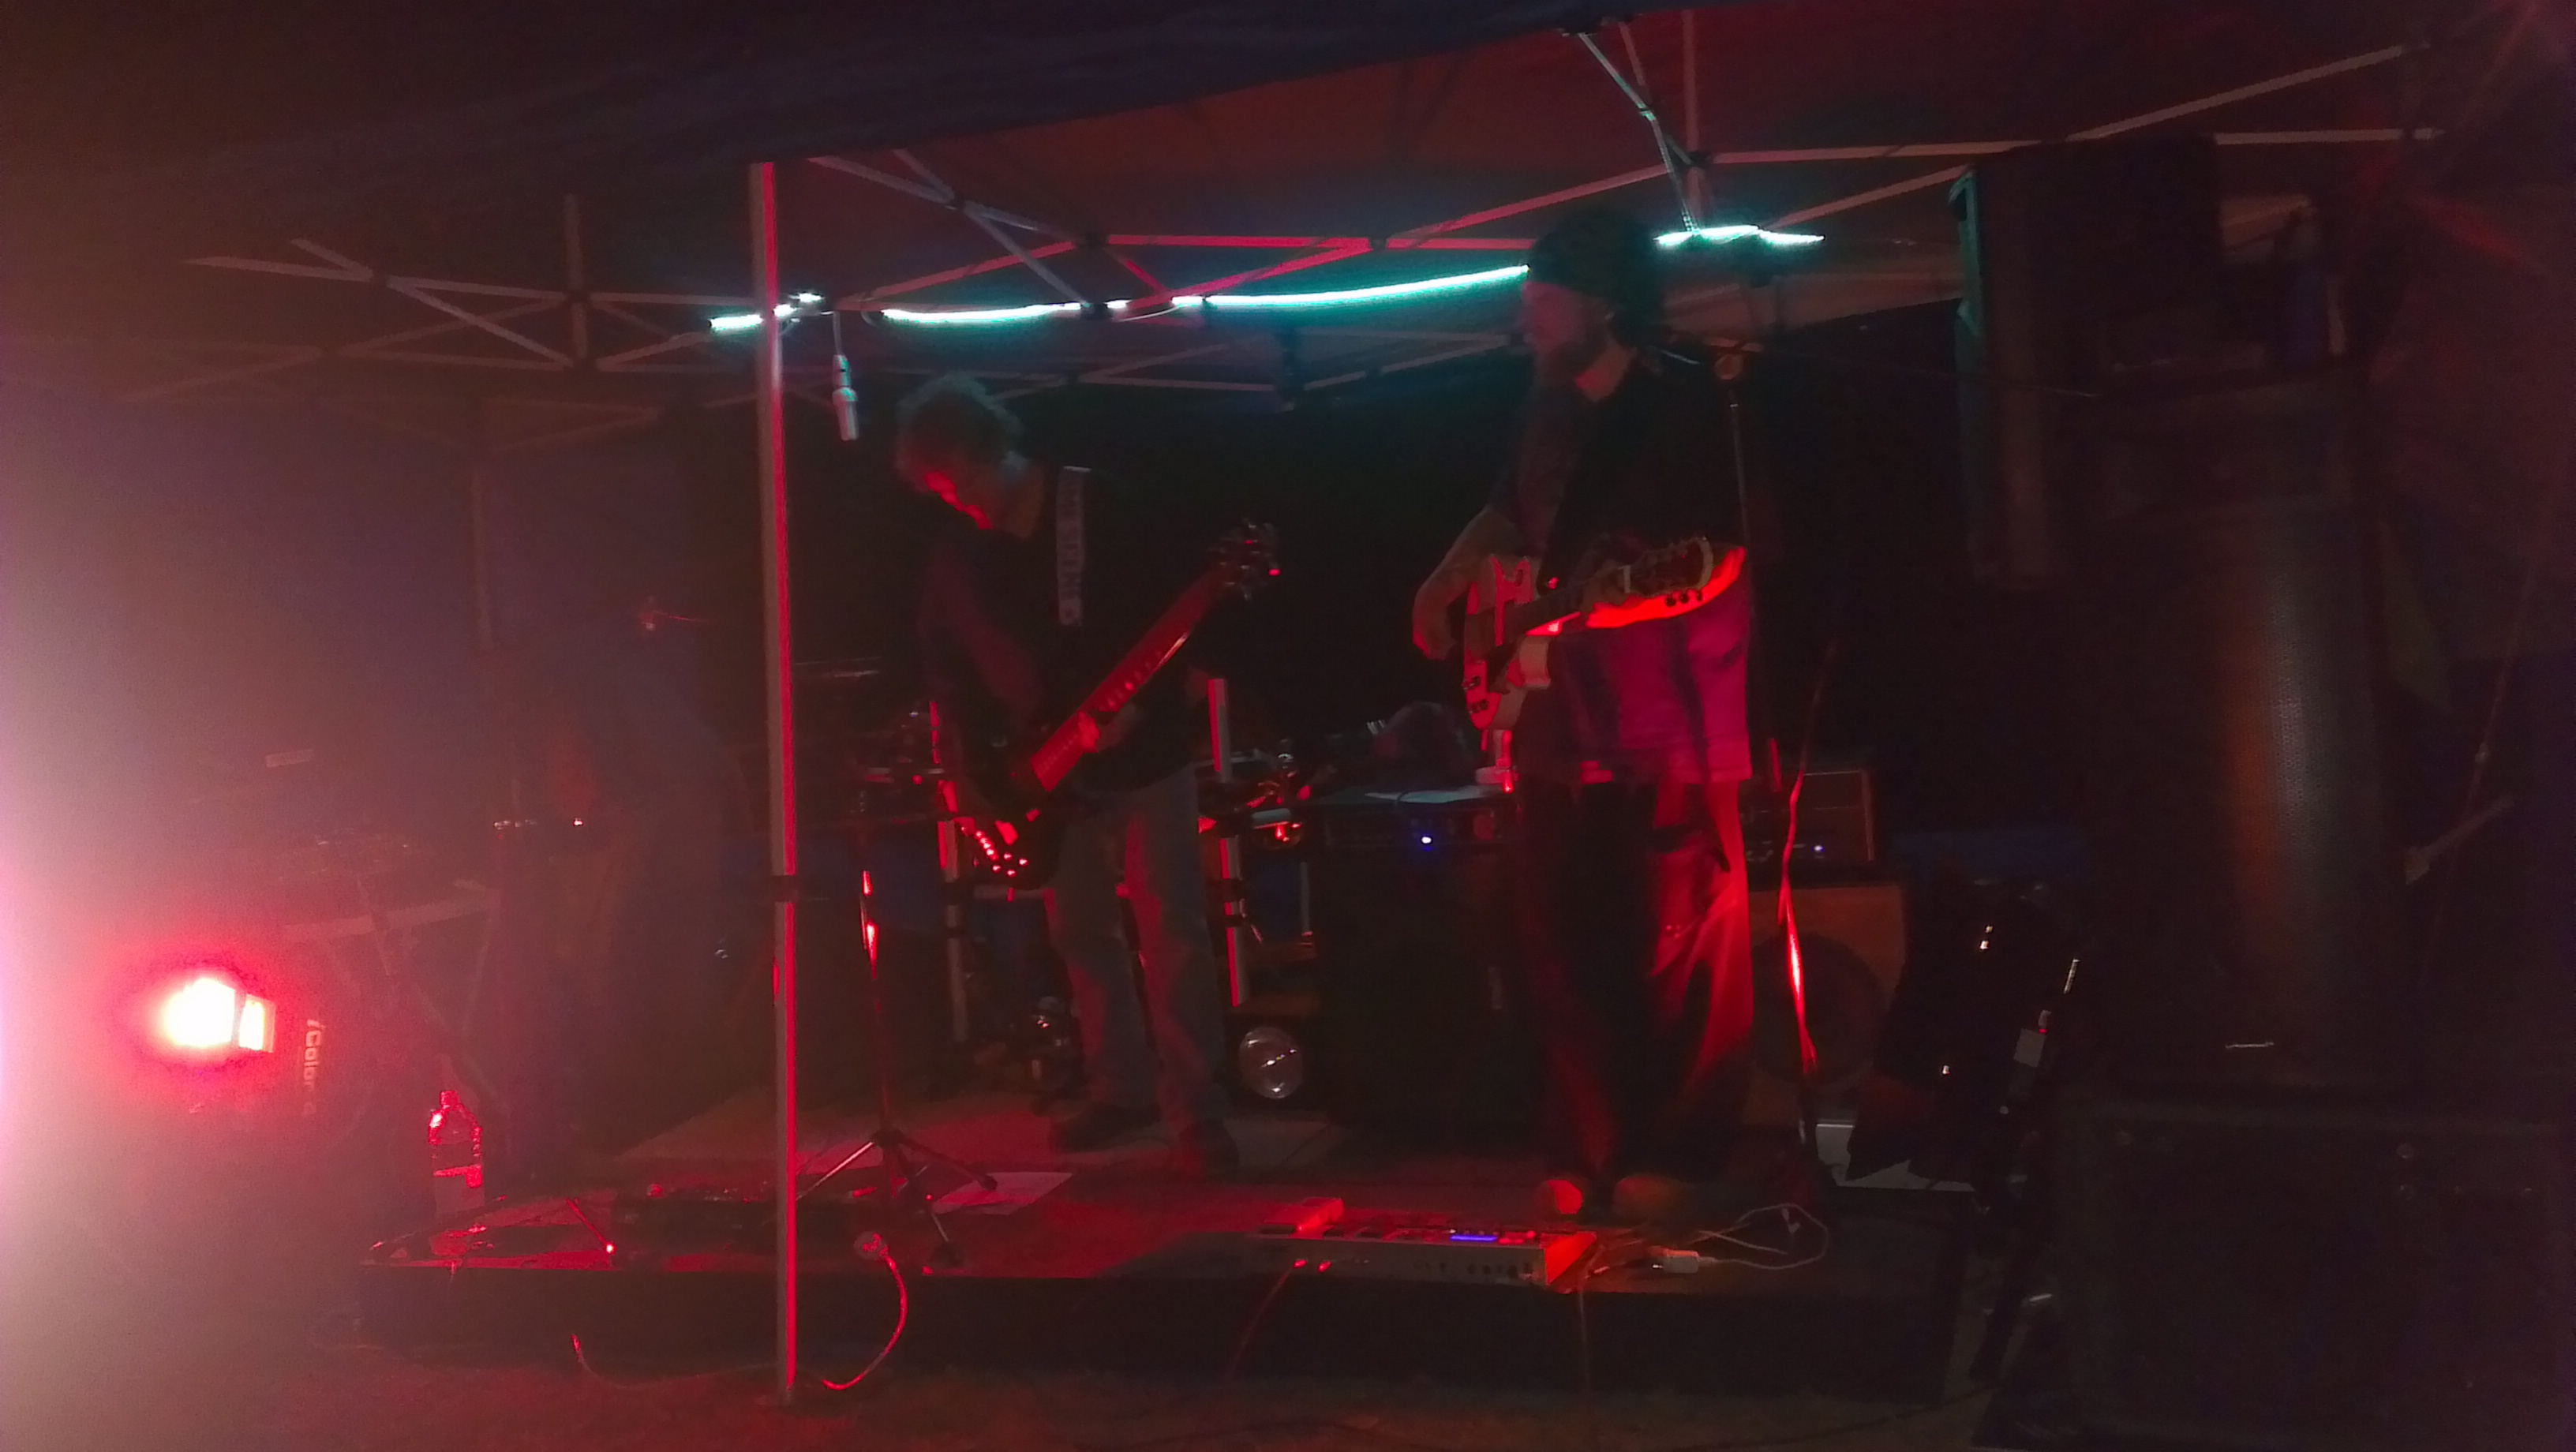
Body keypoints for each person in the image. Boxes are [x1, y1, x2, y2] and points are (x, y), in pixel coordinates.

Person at [1410, 208, 1759, 1223]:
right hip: (1555, 721)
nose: (1524, 317)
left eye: (1542, 297)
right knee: (1562, 945)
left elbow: (1715, 558)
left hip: (1668, 717)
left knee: (1678, 946)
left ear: (1604, 303)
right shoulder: (1547, 405)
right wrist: (1448, 574)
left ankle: (1681, 1153)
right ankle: (1585, 1144)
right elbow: (1509, 510)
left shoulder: (1688, 406)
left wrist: (1595, 603)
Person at [897, 374, 1238, 1180]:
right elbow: (946, 666)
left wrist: (1143, 705)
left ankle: (1199, 1112)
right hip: (1043, 775)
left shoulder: (1101, 505)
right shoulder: (960, 556)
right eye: (945, 494)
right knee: (1081, 935)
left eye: (964, 483)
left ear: (995, 448)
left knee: (1173, 931)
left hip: (1145, 757)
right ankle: (1122, 1088)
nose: (962, 503)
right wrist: (969, 773)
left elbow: (1179, 625)